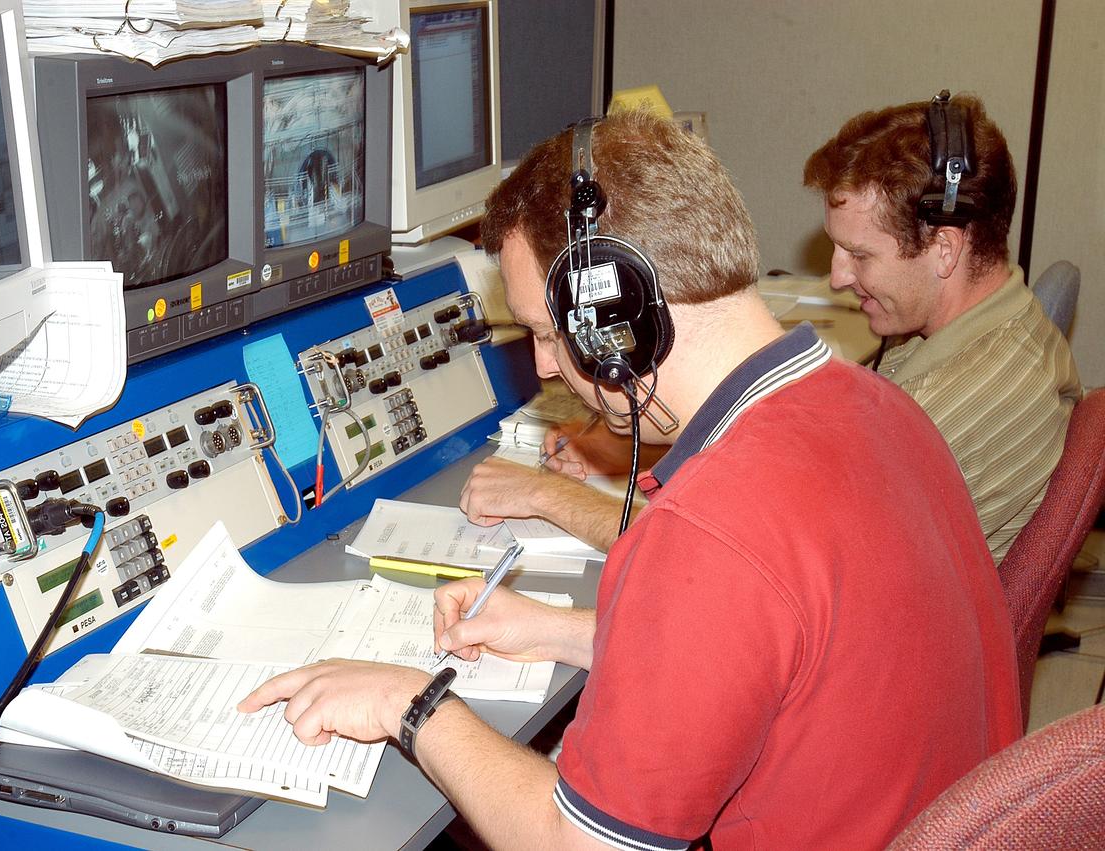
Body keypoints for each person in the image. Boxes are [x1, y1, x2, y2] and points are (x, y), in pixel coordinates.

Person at [238, 111, 1021, 849]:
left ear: (618, 308)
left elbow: (573, 840)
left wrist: (408, 703)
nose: (544, 365)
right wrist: (562, 631)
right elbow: (780, 658)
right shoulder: (875, 404)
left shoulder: (712, 528)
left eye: (548, 333)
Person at [804, 92, 1081, 565]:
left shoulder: (965, 405)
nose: (838, 276)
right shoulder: (976, 335)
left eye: (861, 255)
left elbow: (811, 554)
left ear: (946, 247)